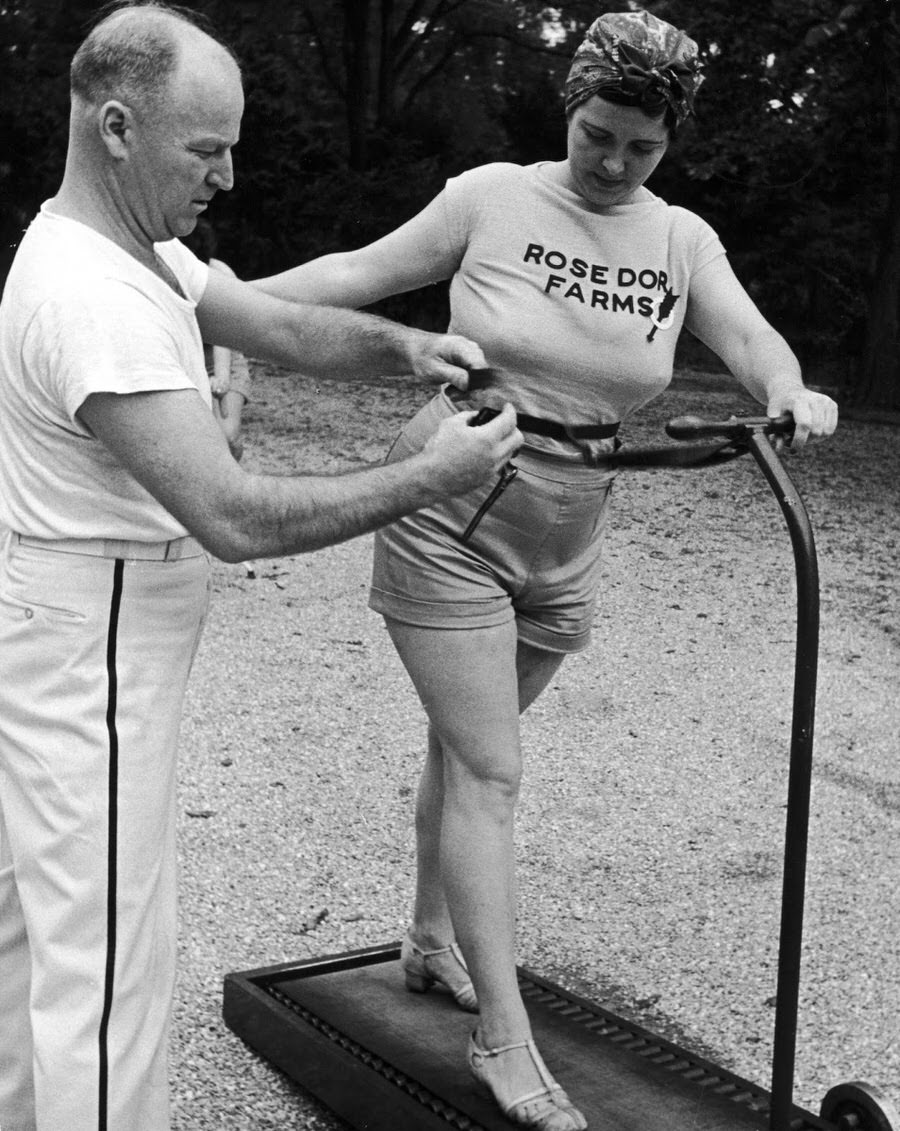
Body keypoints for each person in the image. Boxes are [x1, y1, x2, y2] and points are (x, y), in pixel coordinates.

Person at [254, 10, 839, 1130]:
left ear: (669, 144)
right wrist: (212, 301)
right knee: (491, 772)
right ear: (566, 112)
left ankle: (431, 941)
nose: (613, 163)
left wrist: (792, 388)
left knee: (466, 751)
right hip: (453, 504)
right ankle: (501, 1040)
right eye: (595, 136)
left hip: (570, 529)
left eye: (639, 147)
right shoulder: (494, 197)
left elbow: (753, 339)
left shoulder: (681, 240)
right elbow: (357, 270)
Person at [0, 4, 521, 1130]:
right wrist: (433, 475)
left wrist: (406, 348)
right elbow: (237, 517)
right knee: (105, 959)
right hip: (94, 645)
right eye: (207, 149)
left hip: (81, 625)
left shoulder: (136, 252)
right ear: (117, 127)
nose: (229, 176)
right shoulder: (90, 300)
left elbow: (273, 322)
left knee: (32, 932)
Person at [181, 218, 253, 460]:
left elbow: (226, 331)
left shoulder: (218, 273)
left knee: (227, 438)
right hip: (183, 356)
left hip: (221, 356)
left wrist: (221, 377)